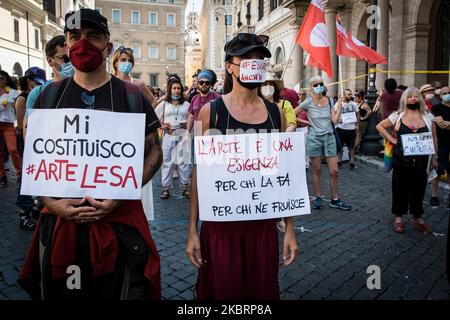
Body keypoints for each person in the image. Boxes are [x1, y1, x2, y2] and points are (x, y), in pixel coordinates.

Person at [18, 8, 163, 300]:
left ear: (108, 47)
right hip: (60, 226)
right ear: (67, 45)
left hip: (119, 226)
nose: (83, 44)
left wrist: (122, 194)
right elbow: (37, 160)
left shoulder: (131, 96)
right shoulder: (48, 96)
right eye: (75, 36)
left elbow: (155, 153)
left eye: (93, 36)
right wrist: (50, 203)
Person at [186, 33, 298, 300]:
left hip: (262, 225)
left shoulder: (276, 113)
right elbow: (199, 171)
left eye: (259, 58)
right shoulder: (208, 113)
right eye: (246, 58)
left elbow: (283, 173)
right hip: (221, 226)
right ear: (229, 66)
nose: (254, 63)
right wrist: (192, 230)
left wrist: (290, 228)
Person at [376, 87, 437, 234]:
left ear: (420, 99)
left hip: (422, 162)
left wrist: (435, 156)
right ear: (405, 99)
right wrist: (392, 139)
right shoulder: (398, 115)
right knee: (399, 188)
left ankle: (418, 217)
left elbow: (434, 137)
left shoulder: (428, 117)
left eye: (416, 96)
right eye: (410, 96)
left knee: (419, 188)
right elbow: (380, 126)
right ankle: (399, 218)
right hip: (401, 161)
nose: (413, 98)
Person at [295, 76, 351, 211]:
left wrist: (339, 108)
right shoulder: (308, 102)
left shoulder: (330, 100)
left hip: (329, 138)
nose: (318, 86)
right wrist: (306, 122)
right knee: (317, 170)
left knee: (334, 171)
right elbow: (291, 113)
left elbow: (335, 120)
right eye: (315, 84)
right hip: (314, 138)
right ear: (311, 87)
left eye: (320, 84)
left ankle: (335, 199)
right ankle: (318, 197)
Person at [24, 35, 73, 138]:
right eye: (65, 58)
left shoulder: (87, 90)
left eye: (73, 57)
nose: (71, 62)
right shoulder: (38, 94)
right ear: (50, 61)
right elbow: (29, 136)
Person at [155, 77, 191, 199]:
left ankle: (185, 187)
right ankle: (166, 188)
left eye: (179, 88)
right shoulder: (164, 105)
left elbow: (193, 118)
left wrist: (188, 126)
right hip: (168, 136)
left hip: (182, 136)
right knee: (166, 162)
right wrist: (161, 125)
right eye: (174, 88)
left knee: (184, 162)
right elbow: (154, 117)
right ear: (170, 90)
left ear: (181, 90)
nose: (176, 91)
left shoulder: (187, 105)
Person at [0, 70, 20, 188]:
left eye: (2, 78)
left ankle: (20, 175)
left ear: (6, 79)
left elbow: (17, 109)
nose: (0, 80)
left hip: (9, 124)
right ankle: (2, 176)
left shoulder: (12, 93)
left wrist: (18, 124)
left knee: (13, 150)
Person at [431, 87, 450, 209]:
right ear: (440, 96)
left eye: (449, 93)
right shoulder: (437, 108)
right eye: (445, 93)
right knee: (437, 170)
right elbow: (441, 124)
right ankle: (434, 195)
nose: (448, 95)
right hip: (441, 144)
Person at [335, 89, 360, 169]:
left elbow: (357, 114)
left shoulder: (354, 104)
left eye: (350, 94)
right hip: (340, 128)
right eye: (348, 94)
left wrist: (357, 125)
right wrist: (338, 119)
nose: (350, 95)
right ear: (344, 95)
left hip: (351, 128)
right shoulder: (338, 104)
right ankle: (339, 161)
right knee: (340, 146)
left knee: (351, 147)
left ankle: (352, 162)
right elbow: (335, 114)